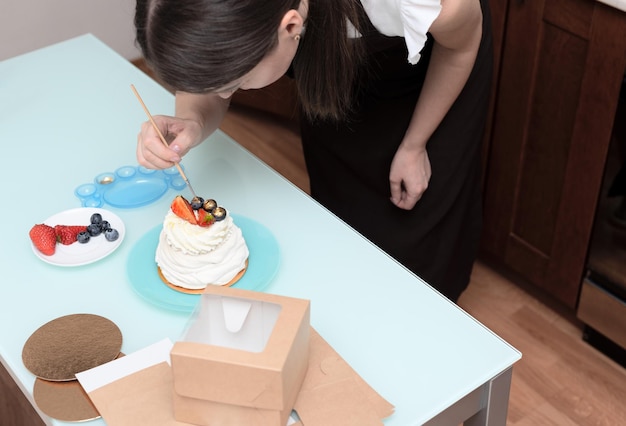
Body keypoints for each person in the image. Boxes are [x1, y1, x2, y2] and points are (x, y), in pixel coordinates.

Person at [134, 0, 493, 302]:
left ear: (290, 26)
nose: (226, 97)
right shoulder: (277, 27)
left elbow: (461, 43)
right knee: (343, 222)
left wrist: (415, 145)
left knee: (421, 243)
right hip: (332, 83)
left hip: (434, 73)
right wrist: (193, 119)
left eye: (236, 84)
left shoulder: (424, 1)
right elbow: (207, 75)